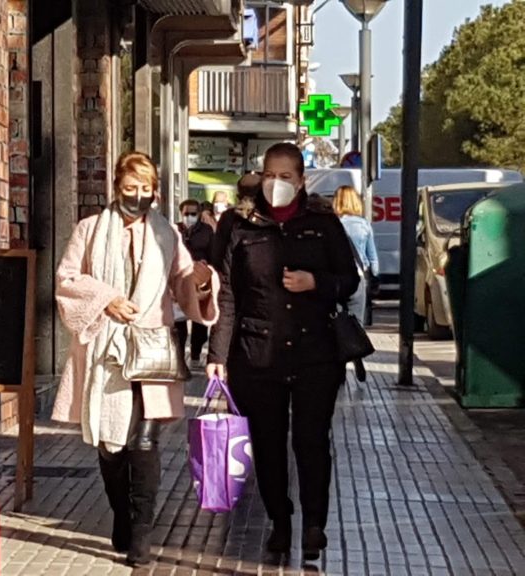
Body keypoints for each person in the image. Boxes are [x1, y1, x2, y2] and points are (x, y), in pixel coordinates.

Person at [53, 151, 219, 567]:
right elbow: (67, 279)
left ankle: (141, 532)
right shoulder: (89, 230)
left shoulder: (167, 234)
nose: (138, 198)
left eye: (146, 191)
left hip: (152, 349)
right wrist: (106, 300)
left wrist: (201, 284)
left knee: (144, 442)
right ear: (115, 189)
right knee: (111, 448)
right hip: (106, 351)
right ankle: (123, 517)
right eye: (130, 190)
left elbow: (182, 280)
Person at [206, 143, 358, 561]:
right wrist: (217, 355)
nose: (277, 184)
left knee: (311, 441)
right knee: (268, 444)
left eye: (286, 176)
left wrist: (318, 283)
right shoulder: (239, 225)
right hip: (256, 352)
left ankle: (313, 524)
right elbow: (228, 294)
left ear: (301, 180)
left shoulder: (323, 224)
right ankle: (280, 519)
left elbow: (350, 279)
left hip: (315, 352)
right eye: (270, 175)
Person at [332, 185, 379, 325]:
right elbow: (372, 258)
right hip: (358, 278)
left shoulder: (333, 225)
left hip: (336, 279)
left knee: (336, 323)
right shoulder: (364, 224)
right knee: (357, 325)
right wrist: (374, 277)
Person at [175, 199, 214, 366]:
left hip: (199, 278)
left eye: (193, 213)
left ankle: (196, 352)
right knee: (179, 319)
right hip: (180, 278)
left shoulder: (206, 231)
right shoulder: (175, 230)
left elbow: (213, 252)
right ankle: (179, 354)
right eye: (186, 213)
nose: (189, 217)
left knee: (198, 319)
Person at [211, 171, 262, 271]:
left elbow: (217, 254)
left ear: (238, 195)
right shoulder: (267, 216)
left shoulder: (228, 217)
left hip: (231, 279)